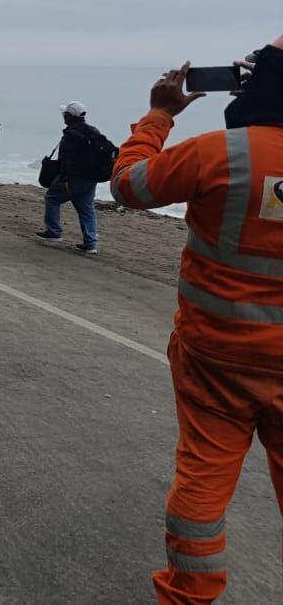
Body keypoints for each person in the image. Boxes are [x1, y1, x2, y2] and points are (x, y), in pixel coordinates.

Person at [109, 46, 283, 603]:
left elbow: (130, 186)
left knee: (203, 483)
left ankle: (189, 594)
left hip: (215, 357)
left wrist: (160, 115)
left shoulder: (220, 154)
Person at [34, 100, 103, 254]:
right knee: (87, 209)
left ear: (69, 116)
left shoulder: (71, 134)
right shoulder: (94, 132)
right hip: (91, 177)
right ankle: (90, 243)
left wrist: (64, 178)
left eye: (65, 114)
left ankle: (54, 232)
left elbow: (67, 159)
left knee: (52, 198)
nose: (63, 116)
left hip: (74, 176)